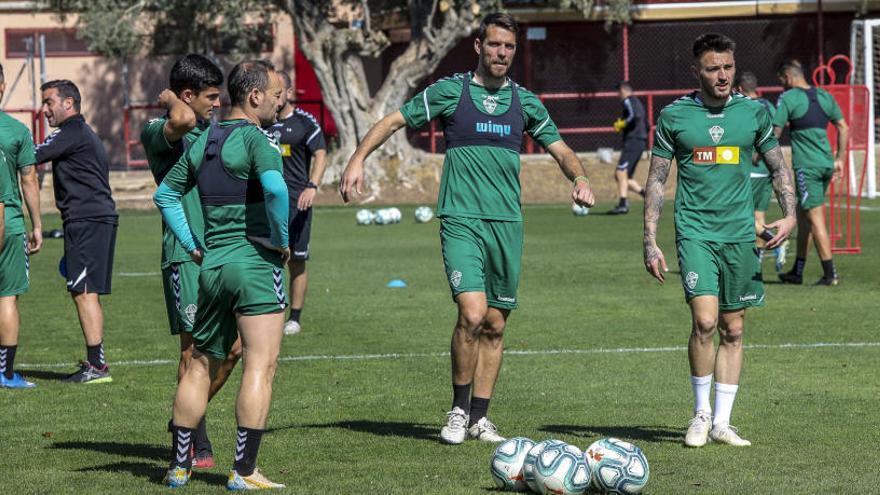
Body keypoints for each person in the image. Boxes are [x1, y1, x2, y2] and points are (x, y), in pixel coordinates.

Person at [340, 13, 595, 445]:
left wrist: (580, 178)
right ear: (479, 46)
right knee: (472, 314)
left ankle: (480, 417)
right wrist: (357, 158)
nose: (501, 53)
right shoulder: (450, 92)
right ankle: (458, 411)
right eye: (494, 45)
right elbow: (392, 121)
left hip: (507, 224)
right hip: (460, 219)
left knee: (495, 324)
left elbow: (561, 148)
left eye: (509, 47)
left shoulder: (525, 103)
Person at [643, 33, 796, 448]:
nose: (723, 75)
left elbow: (778, 168)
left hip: (740, 235)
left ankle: (722, 423)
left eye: (728, 66)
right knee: (705, 321)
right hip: (695, 232)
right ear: (697, 71)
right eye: (713, 68)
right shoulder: (675, 116)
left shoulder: (753, 114)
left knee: (733, 327)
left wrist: (791, 214)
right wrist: (649, 239)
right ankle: (700, 414)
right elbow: (656, 180)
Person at [154, 59, 289, 489]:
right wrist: (282, 240)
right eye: (276, 95)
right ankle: (244, 471)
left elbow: (165, 195)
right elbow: (276, 189)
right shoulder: (258, 140)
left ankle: (179, 467)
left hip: (211, 265)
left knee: (199, 364)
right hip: (253, 263)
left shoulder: (204, 140)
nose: (280, 103)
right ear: (254, 97)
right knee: (259, 366)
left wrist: (193, 245)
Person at [141, 54, 242, 469]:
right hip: (185, 254)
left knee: (233, 349)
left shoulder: (212, 132)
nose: (217, 104)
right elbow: (180, 119)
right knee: (193, 352)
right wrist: (168, 99)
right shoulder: (159, 131)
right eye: (211, 97)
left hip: (220, 251)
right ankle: (189, 441)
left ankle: (184, 416)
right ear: (186, 95)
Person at [35, 80, 117, 384]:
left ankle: (97, 367)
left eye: (48, 102)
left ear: (68, 103)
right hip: (92, 219)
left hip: (87, 220)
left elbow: (32, 154)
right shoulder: (81, 133)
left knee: (83, 292)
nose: (44, 110)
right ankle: (97, 363)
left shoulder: (70, 133)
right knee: (84, 290)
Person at [774, 60, 848, 286]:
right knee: (803, 214)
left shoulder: (788, 98)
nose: (782, 86)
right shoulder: (824, 96)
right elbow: (843, 126)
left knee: (815, 219)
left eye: (782, 81)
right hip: (826, 164)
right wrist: (840, 159)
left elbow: (775, 131)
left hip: (808, 167)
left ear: (788, 76)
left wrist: (760, 156)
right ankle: (797, 271)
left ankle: (830, 274)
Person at [269, 70, 328, 336]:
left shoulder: (305, 122)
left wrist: (312, 186)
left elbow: (321, 153)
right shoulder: (260, 122)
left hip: (297, 202)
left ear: (289, 93)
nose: (277, 97)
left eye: (280, 91)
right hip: (267, 204)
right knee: (269, 260)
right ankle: (268, 313)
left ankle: (294, 318)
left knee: (297, 260)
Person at [0, 64, 42, 389]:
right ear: (2, 87)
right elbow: (29, 179)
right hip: (10, 225)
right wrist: (37, 224)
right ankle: (5, 373)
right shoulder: (16, 131)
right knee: (7, 297)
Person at [736, 71, 789, 272]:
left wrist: (756, 152)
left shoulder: (742, 107)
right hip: (766, 172)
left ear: (739, 89)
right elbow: (777, 130)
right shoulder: (767, 105)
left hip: (748, 171)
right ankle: (756, 261)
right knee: (759, 218)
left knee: (742, 217)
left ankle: (771, 243)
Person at [609, 81, 647, 214]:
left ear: (623, 90)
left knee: (620, 172)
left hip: (633, 141)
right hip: (639, 141)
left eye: (618, 92)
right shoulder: (637, 102)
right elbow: (645, 123)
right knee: (624, 176)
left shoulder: (628, 101)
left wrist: (622, 124)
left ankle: (623, 204)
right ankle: (648, 197)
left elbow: (633, 116)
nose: (617, 95)